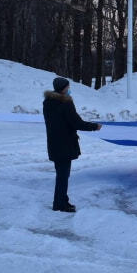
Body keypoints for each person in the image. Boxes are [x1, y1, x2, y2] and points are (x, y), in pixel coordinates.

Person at [43, 77, 102, 213]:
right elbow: (77, 123)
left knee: (61, 174)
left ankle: (61, 200)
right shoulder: (65, 103)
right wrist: (95, 126)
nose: (69, 90)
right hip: (65, 144)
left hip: (54, 143)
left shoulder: (47, 103)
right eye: (68, 88)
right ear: (63, 88)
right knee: (63, 175)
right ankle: (59, 204)